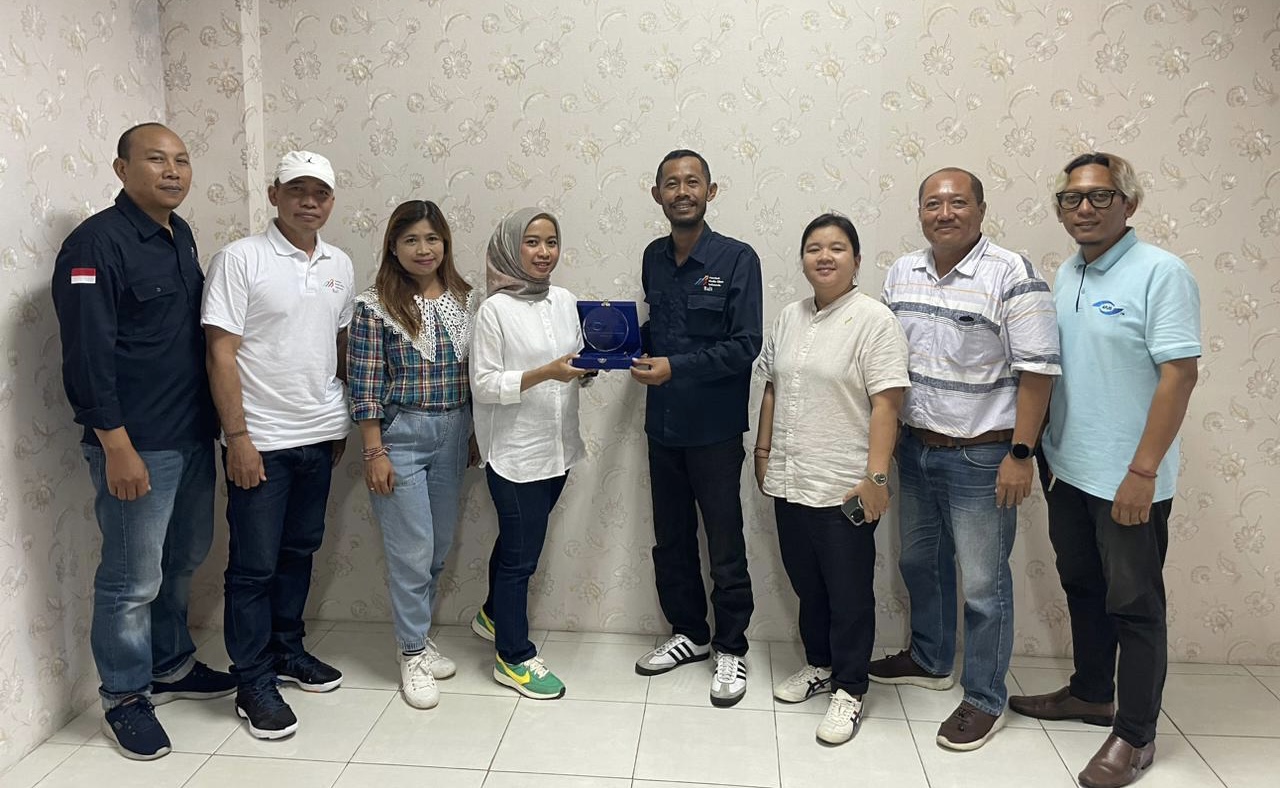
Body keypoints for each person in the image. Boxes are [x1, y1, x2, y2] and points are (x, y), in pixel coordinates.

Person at [1009, 152, 1200, 788]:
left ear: (1129, 203)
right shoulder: (1069, 272)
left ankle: (1136, 737)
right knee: (1084, 588)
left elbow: (1180, 375)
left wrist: (1143, 472)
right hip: (1068, 472)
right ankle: (1092, 693)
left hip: (1129, 478)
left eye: (1100, 196)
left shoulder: (1161, 273)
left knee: (1136, 605)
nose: (1084, 208)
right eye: (1072, 198)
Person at [50, 122, 234, 760]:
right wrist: (116, 445)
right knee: (131, 580)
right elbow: (86, 356)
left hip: (191, 432)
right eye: (156, 159)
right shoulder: (94, 244)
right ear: (122, 169)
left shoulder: (179, 233)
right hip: (136, 442)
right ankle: (125, 697)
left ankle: (170, 663)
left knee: (183, 558)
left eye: (182, 159)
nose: (173, 171)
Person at [871, 167, 1061, 750]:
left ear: (980, 209)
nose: (944, 213)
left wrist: (1021, 454)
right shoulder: (902, 272)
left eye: (957, 202)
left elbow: (1038, 372)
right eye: (933, 203)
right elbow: (887, 359)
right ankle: (931, 659)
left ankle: (984, 698)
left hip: (984, 456)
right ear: (920, 212)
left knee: (983, 585)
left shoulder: (1012, 273)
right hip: (915, 448)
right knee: (918, 562)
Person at [202, 151, 354, 739]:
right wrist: (238, 437)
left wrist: (341, 423)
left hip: (319, 434)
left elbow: (337, 346)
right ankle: (253, 680)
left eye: (320, 192)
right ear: (274, 195)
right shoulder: (240, 258)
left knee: (299, 551)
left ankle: (287, 650)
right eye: (297, 190)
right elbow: (220, 353)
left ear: (331, 200)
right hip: (260, 440)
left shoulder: (339, 263)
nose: (309, 202)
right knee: (253, 567)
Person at [755, 214, 909, 745]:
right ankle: (819, 664)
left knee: (848, 593)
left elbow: (888, 403)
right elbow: (772, 387)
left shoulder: (874, 321)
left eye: (837, 248)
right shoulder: (789, 317)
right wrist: (763, 450)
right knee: (808, 585)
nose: (824, 257)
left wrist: (877, 477)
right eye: (814, 248)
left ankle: (850, 687)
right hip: (791, 477)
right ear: (803, 259)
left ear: (856, 260)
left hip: (846, 486)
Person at [631, 149, 763, 709]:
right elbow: (657, 331)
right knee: (672, 540)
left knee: (724, 543)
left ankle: (731, 646)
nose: (681, 191)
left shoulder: (737, 258)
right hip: (662, 426)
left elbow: (745, 345)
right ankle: (690, 632)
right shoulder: (653, 257)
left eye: (692, 182)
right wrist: (607, 347)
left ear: (711, 191)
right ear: (656, 194)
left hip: (714, 431)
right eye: (671, 183)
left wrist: (674, 368)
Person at [347, 200, 477, 709]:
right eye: (411, 240)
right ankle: (411, 652)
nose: (423, 249)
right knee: (411, 550)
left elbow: (476, 373)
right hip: (401, 436)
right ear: (393, 247)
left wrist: (473, 434)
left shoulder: (465, 299)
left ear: (445, 243)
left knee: (438, 547)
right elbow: (364, 383)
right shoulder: (374, 305)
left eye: (432, 239)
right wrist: (373, 450)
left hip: (455, 431)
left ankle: (418, 636)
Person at [469, 207, 590, 700]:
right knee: (522, 557)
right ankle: (512, 657)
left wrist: (589, 367)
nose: (544, 253)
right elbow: (483, 384)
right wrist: (546, 373)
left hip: (558, 447)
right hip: (514, 454)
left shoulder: (565, 300)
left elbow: (576, 359)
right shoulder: (493, 310)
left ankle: (492, 615)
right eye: (532, 242)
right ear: (510, 247)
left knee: (516, 543)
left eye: (551, 242)